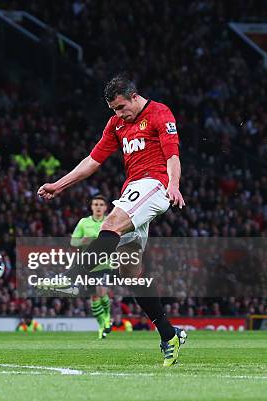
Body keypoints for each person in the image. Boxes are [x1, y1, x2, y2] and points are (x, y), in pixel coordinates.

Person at [37, 75, 187, 366]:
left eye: (120, 107)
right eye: (113, 110)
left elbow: (172, 154)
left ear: (133, 96)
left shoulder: (159, 113)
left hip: (155, 185)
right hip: (134, 189)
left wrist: (173, 184)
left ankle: (71, 278)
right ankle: (169, 334)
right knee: (130, 272)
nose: (118, 114)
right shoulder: (116, 124)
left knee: (110, 225)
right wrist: (59, 184)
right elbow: (93, 161)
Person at [70, 195, 112, 339]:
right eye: (95, 204)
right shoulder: (84, 222)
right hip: (88, 265)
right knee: (94, 298)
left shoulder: (110, 220)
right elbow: (73, 242)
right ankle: (101, 326)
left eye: (101, 204)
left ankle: (107, 317)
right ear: (91, 207)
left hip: (105, 263)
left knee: (101, 291)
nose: (98, 207)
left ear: (106, 207)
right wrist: (82, 240)